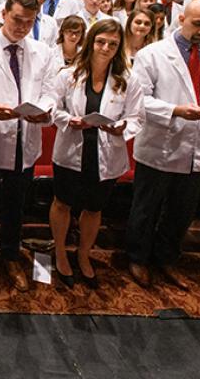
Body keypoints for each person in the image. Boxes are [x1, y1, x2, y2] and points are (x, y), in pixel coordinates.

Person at [127, 0, 200, 290]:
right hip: (161, 142)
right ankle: (137, 256)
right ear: (182, 19)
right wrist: (174, 110)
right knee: (146, 206)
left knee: (182, 209)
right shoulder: (152, 54)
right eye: (198, 23)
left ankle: (166, 258)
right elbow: (138, 101)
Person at [0, 0, 57, 293]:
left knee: (16, 207)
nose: (21, 27)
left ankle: (10, 255)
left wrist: (43, 109)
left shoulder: (42, 52)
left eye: (29, 22)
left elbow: (50, 92)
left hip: (24, 140)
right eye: (17, 19)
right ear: (4, 13)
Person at [50, 20, 144, 288]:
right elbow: (53, 108)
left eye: (113, 44)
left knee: (94, 207)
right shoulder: (68, 75)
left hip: (105, 151)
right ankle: (60, 253)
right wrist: (70, 119)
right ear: (90, 42)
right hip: (72, 148)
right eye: (101, 41)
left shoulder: (127, 80)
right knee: (63, 202)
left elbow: (137, 117)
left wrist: (122, 128)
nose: (106, 48)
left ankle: (83, 255)